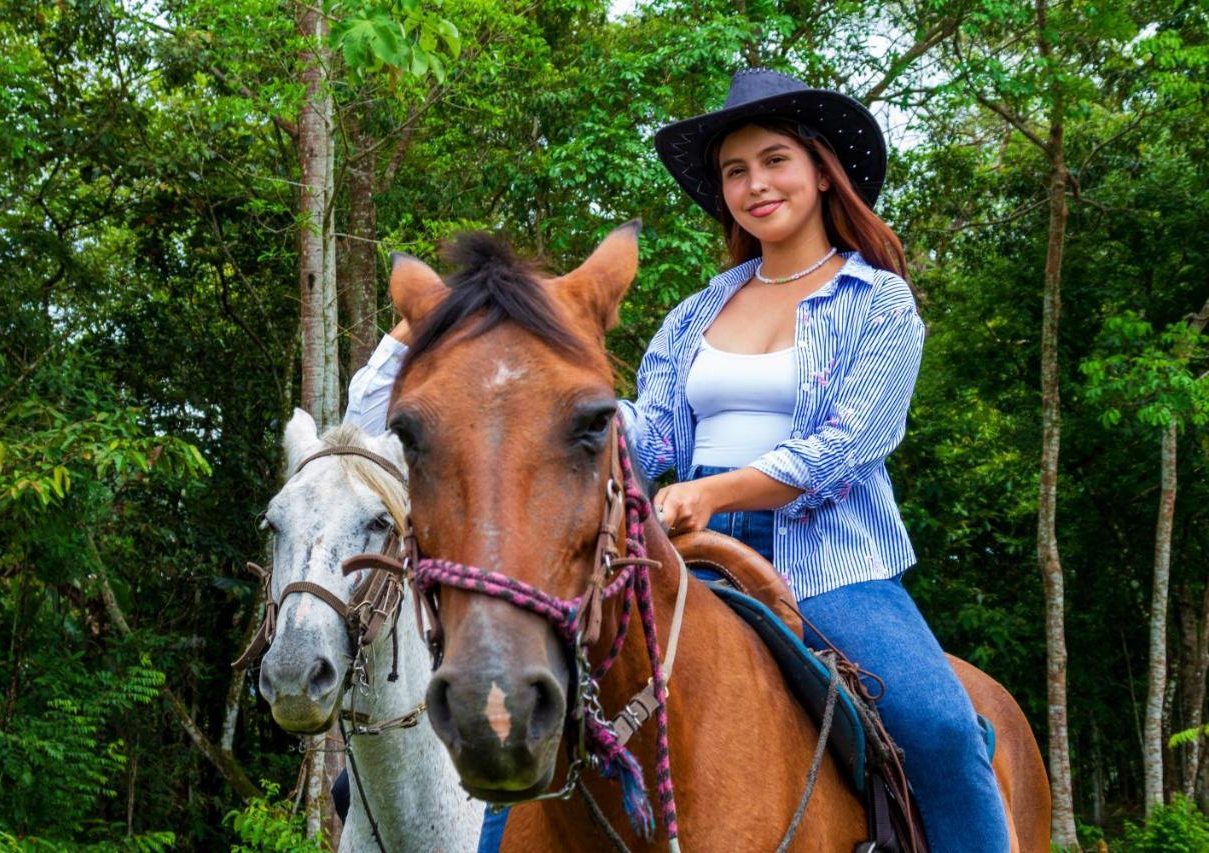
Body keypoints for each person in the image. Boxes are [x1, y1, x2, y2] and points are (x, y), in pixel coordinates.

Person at [344, 68, 1006, 853]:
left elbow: (851, 440)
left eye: (774, 160)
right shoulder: (697, 312)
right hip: (677, 554)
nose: (755, 184)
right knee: (538, 724)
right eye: (735, 171)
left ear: (823, 170)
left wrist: (715, 490)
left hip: (833, 566)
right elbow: (644, 432)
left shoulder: (878, 303)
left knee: (941, 730)